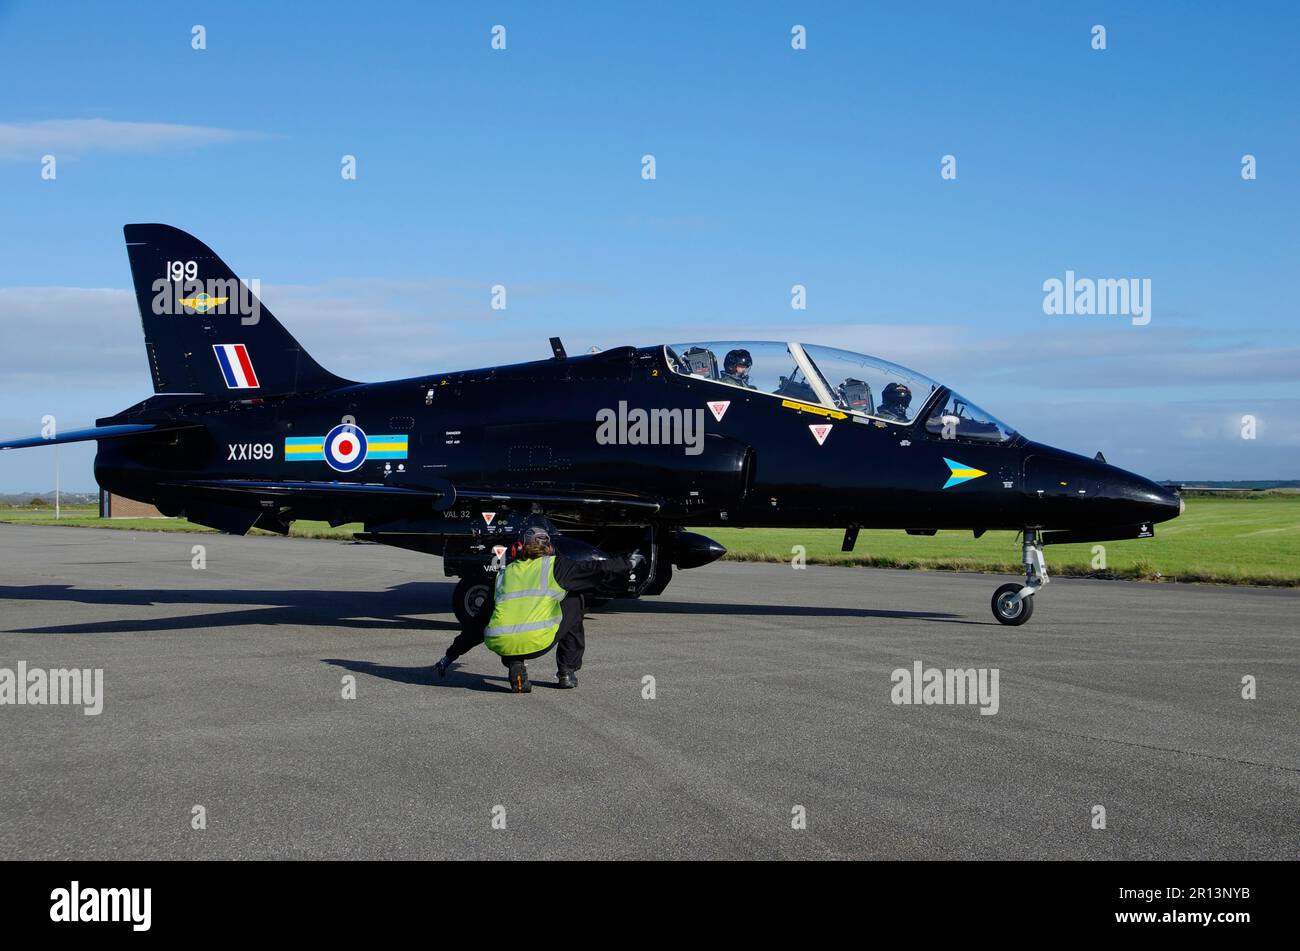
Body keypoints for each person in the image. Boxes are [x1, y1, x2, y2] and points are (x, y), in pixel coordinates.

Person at [433, 523, 640, 692]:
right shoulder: (557, 566)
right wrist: (627, 564)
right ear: (549, 547)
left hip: (502, 643)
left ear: (520, 547)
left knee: (504, 620)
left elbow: (479, 622)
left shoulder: (504, 573)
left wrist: (450, 655)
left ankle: (515, 665)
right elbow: (597, 568)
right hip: (537, 641)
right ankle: (566, 672)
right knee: (576, 600)